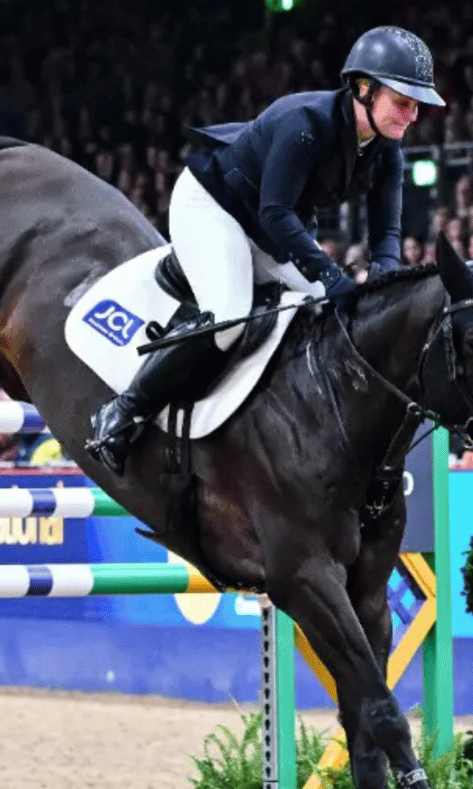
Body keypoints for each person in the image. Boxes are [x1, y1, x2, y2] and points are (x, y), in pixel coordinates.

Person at [84, 26, 445, 473]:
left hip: (272, 230)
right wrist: (331, 275)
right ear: (363, 88)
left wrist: (382, 284)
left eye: (416, 107)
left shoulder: (388, 152)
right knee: (229, 318)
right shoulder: (305, 125)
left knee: (328, 319)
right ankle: (124, 411)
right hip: (213, 207)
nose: (412, 116)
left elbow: (386, 235)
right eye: (404, 103)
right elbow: (275, 212)